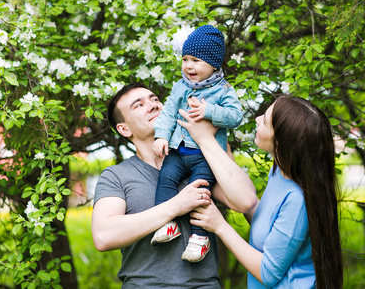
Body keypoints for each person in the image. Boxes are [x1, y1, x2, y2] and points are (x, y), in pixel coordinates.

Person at [91, 82, 256, 288]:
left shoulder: (203, 160)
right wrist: (176, 206)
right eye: (138, 105)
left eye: (155, 100)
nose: (153, 105)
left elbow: (246, 201)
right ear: (124, 129)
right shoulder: (117, 175)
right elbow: (103, 236)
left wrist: (206, 140)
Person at [178, 95, 344, 288]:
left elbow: (268, 273)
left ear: (281, 142)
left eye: (264, 122)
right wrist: (223, 172)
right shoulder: (282, 173)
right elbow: (267, 225)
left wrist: (220, 226)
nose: (257, 120)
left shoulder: (297, 200)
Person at [151, 25, 243, 263]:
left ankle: (200, 238)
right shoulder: (181, 86)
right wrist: (161, 136)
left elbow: (235, 116)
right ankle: (168, 225)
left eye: (196, 60)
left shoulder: (223, 90)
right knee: (166, 179)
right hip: (178, 150)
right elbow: (169, 113)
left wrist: (209, 111)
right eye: (185, 59)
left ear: (213, 64)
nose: (188, 66)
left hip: (206, 155)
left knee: (200, 190)